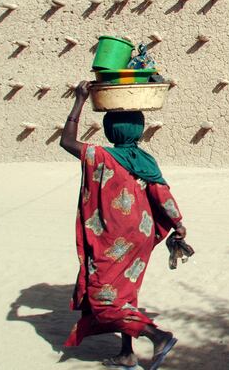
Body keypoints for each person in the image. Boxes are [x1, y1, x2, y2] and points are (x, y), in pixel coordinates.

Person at [60, 81, 184, 369]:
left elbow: (67, 141)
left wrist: (79, 100)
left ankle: (158, 336)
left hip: (112, 239)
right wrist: (178, 225)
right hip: (139, 236)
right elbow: (161, 194)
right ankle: (127, 354)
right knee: (125, 293)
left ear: (110, 130)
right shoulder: (144, 159)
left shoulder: (101, 156)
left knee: (104, 297)